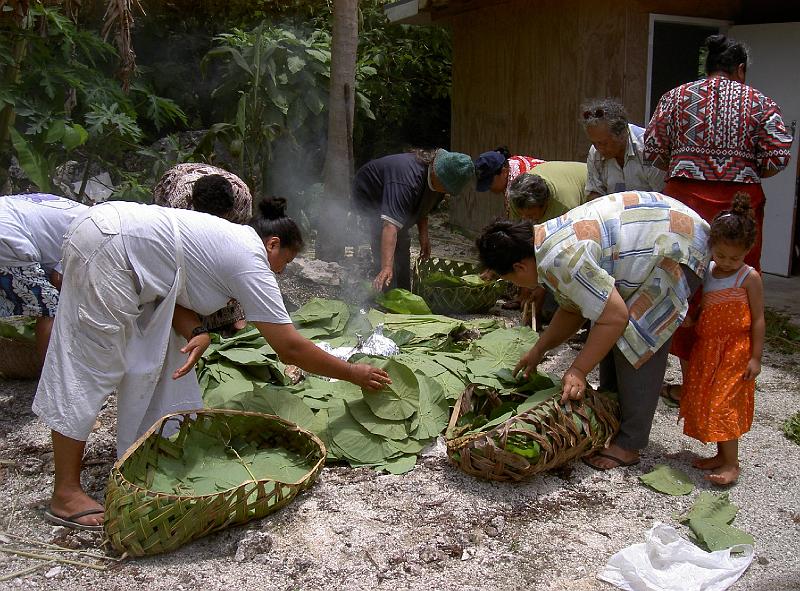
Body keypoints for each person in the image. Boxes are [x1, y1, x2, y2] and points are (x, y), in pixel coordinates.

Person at [32, 197, 391, 530]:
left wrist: (198, 331)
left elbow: (167, 286)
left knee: (156, 356)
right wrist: (351, 373)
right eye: (287, 262)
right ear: (273, 244)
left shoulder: (231, 242)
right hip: (109, 248)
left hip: (112, 239)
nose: (282, 272)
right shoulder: (250, 259)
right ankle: (65, 493)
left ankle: (149, 446)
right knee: (88, 366)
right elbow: (289, 348)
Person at [476, 191, 710, 471]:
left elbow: (615, 317)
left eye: (510, 278)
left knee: (636, 339)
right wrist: (539, 349)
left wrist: (578, 370)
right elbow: (574, 309)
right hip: (665, 232)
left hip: (679, 245)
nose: (518, 286)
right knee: (611, 333)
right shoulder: (543, 246)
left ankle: (630, 443)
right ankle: (612, 413)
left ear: (519, 266)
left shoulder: (560, 259)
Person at [644, 33, 792, 402]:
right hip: (738, 206)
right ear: (740, 69)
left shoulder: (675, 97)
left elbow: (651, 149)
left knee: (683, 286)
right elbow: (777, 158)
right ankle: (725, 380)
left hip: (683, 202)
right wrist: (741, 167)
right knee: (733, 288)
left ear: (707, 66)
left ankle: (689, 379)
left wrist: (685, 166)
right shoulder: (761, 103)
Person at [679, 193, 764, 486]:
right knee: (708, 399)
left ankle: (731, 463)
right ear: (711, 247)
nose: (727, 262)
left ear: (748, 251)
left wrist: (755, 357)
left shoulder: (749, 278)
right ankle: (720, 454)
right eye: (722, 255)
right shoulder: (710, 273)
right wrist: (693, 319)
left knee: (723, 403)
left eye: (735, 258)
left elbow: (759, 319)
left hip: (735, 351)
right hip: (707, 349)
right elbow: (707, 305)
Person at [352, 148, 475, 291]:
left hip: (397, 198)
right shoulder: (406, 181)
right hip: (370, 194)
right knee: (386, 237)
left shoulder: (437, 184)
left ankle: (403, 289)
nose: (447, 192)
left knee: (402, 243)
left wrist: (424, 236)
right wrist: (386, 267)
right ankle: (384, 288)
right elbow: (389, 226)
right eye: (446, 187)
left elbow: (423, 205)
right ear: (436, 172)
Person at [154, 164, 254, 335]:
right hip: (170, 184)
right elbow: (178, 252)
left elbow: (238, 249)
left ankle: (229, 319)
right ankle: (185, 319)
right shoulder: (179, 204)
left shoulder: (242, 201)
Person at [0, 193, 88, 366]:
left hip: (9, 224)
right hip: (9, 239)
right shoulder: (96, 231)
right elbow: (59, 279)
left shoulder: (84, 214)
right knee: (52, 310)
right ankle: (51, 385)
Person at [502, 162, 590, 326]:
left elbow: (561, 253)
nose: (527, 219)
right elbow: (521, 243)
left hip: (590, 190)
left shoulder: (565, 208)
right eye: (523, 215)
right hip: (561, 181)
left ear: (545, 205)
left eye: (532, 215)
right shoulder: (517, 200)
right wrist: (525, 287)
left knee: (565, 280)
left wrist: (540, 287)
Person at [580, 98, 665, 199]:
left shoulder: (648, 147)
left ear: (622, 134)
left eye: (604, 143)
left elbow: (663, 195)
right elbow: (594, 193)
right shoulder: (595, 152)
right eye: (594, 143)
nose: (599, 149)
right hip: (613, 211)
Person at [473, 147, 545, 215]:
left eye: (490, 182)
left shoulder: (518, 188)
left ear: (503, 172)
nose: (489, 188)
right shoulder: (512, 162)